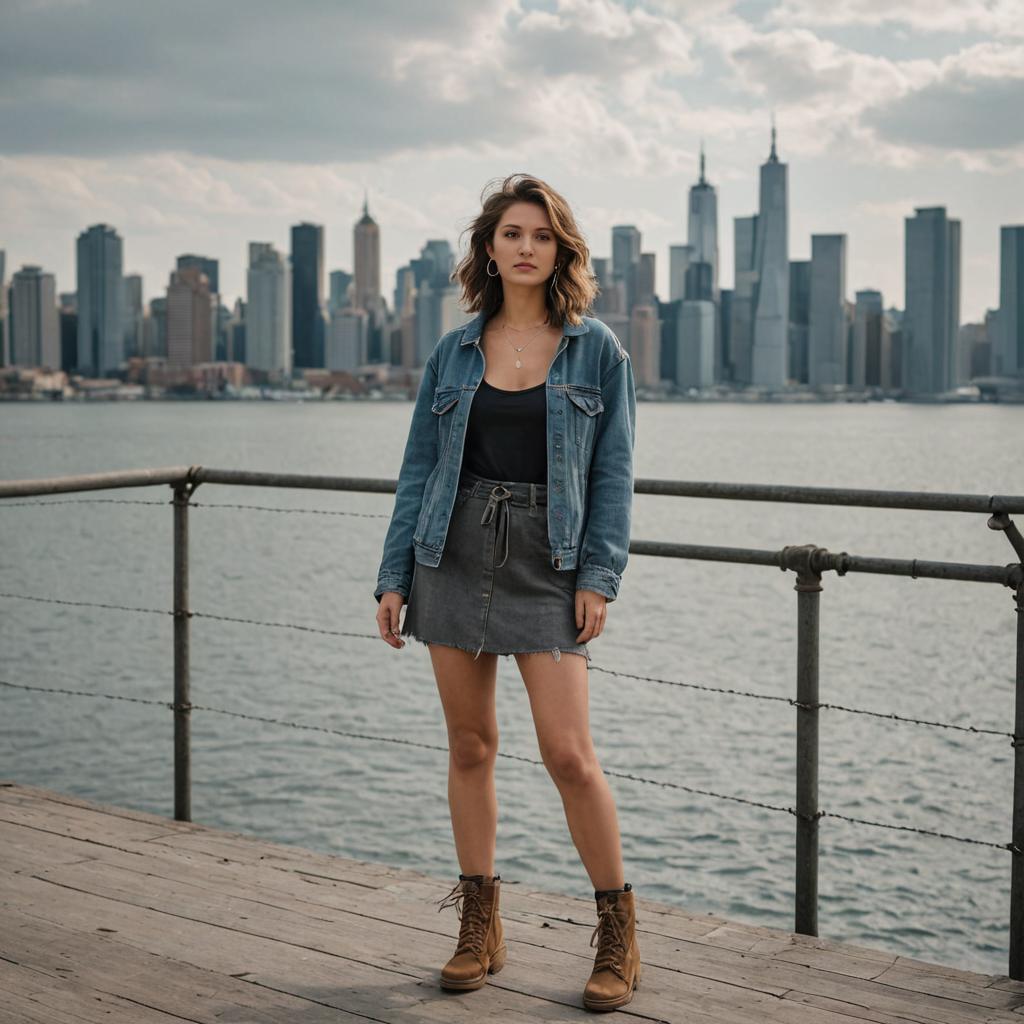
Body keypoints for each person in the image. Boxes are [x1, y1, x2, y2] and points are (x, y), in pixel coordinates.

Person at [373, 172, 639, 1012]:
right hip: (448, 551)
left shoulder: (597, 350)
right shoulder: (454, 353)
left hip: (548, 560)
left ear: (561, 250)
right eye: (512, 234)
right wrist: (393, 576)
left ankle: (620, 937)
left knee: (568, 754)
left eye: (542, 236)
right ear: (488, 249)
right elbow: (419, 468)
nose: (526, 247)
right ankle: (480, 926)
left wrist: (598, 575)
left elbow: (615, 474)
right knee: (470, 746)